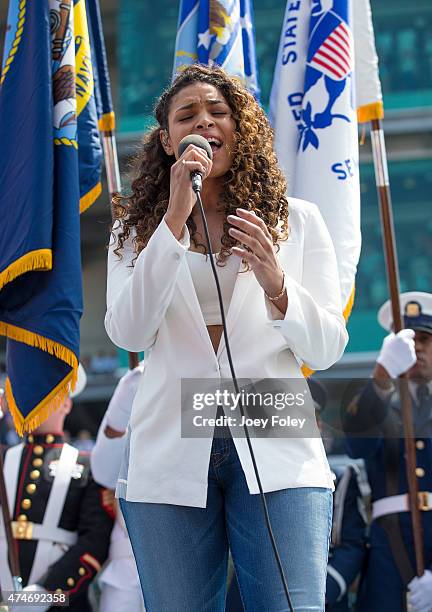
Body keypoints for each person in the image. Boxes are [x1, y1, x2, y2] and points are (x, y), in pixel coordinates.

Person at [105, 63, 348, 611]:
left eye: (218, 111)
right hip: (170, 436)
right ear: (167, 141)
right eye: (186, 116)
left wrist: (277, 284)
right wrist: (171, 222)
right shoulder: (134, 232)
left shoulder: (297, 222)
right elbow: (129, 330)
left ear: (242, 126)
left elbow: (327, 347)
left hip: (273, 422)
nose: (204, 123)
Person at [342, 291, 432, 612]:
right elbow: (357, 446)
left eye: (426, 339)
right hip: (388, 551)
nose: (418, 347)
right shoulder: (374, 398)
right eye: (409, 340)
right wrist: (382, 375)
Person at [0, 365, 114, 611]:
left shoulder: (87, 465)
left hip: (61, 602)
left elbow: (95, 541)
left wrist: (47, 592)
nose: (35, 402)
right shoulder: (3, 459)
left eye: (46, 396)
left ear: (66, 404)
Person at [90, 365, 146, 612]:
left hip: (186, 555)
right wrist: (128, 396)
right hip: (127, 560)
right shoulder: (136, 380)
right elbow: (103, 471)